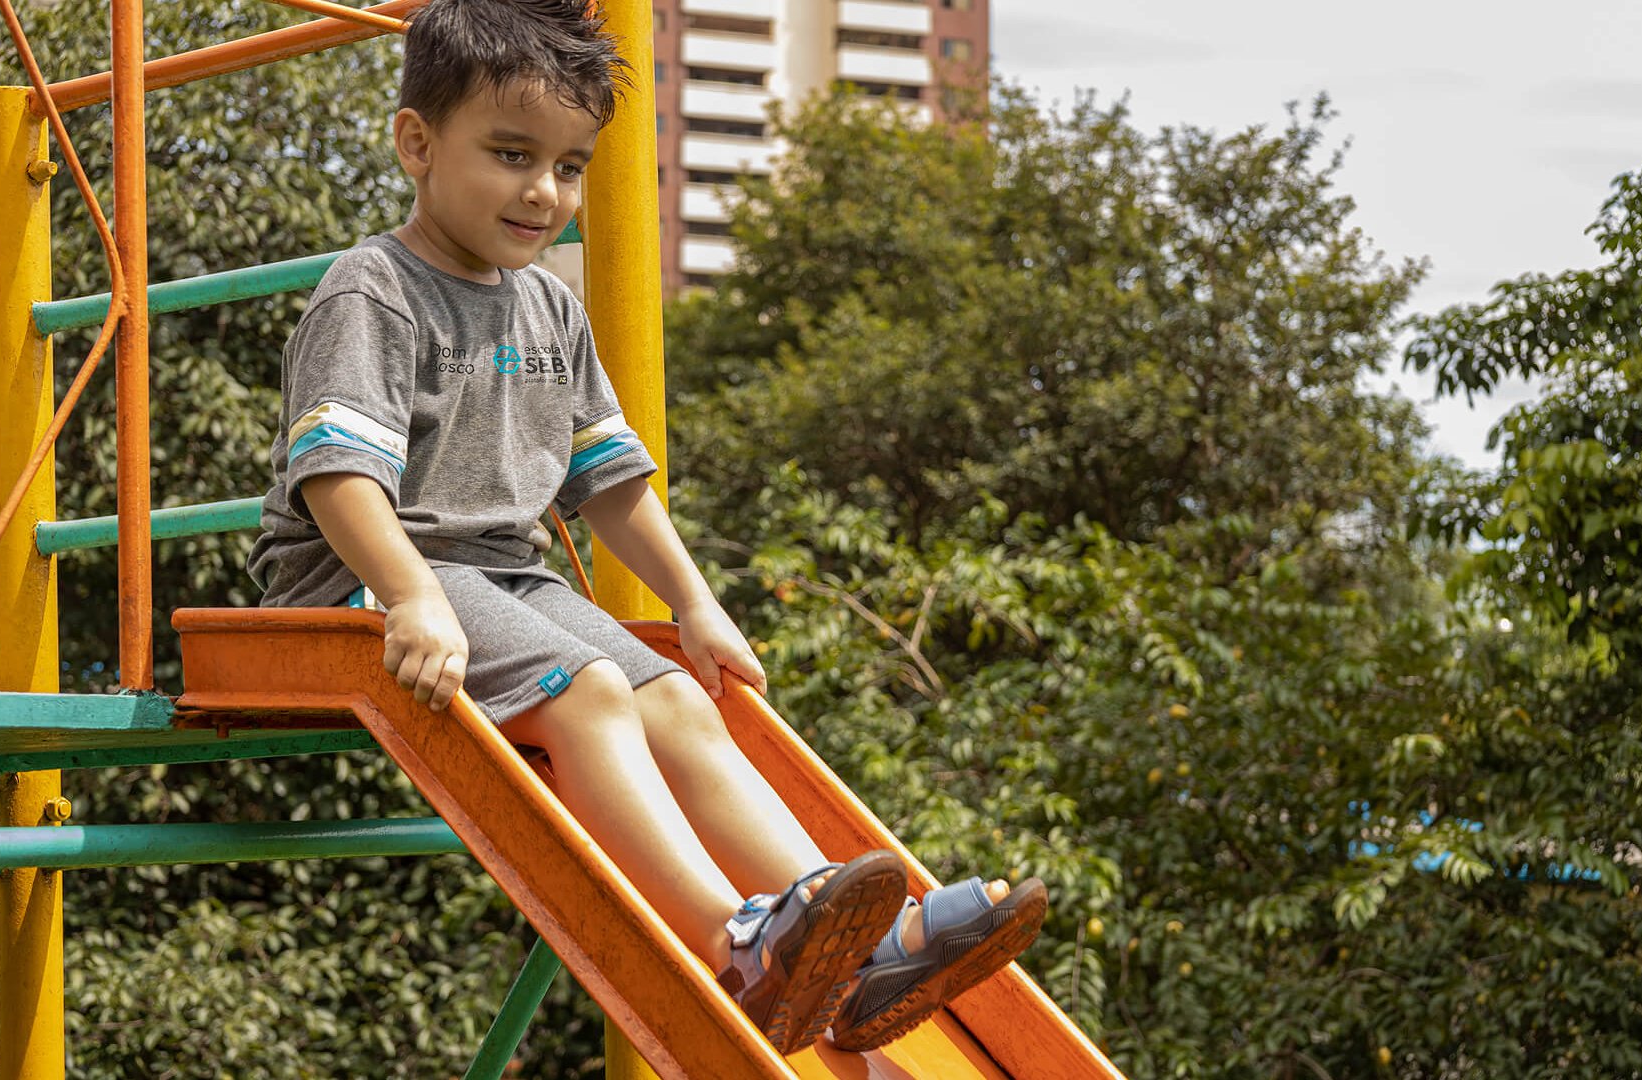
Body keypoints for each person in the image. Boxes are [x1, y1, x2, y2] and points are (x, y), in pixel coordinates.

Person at [245, 0, 1045, 1056]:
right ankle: (737, 941)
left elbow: (609, 478)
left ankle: (864, 948)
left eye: (570, 166)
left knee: (675, 699)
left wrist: (695, 606)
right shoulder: (377, 290)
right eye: (513, 153)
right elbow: (337, 476)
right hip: (365, 576)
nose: (546, 191)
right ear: (417, 143)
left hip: (501, 580)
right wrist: (412, 595)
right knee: (594, 695)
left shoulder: (547, 305)